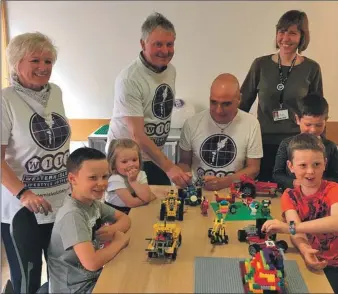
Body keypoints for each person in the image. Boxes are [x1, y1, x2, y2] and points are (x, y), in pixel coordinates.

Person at [1, 32, 71, 293]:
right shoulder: (5, 100)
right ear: (16, 63)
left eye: (48, 61)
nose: (43, 67)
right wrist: (23, 193)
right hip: (22, 211)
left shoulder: (56, 93)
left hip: (59, 203)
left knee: (61, 274)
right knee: (27, 280)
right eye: (35, 60)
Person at [106, 12, 191, 187]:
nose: (165, 51)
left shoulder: (170, 71)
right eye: (158, 44)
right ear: (143, 44)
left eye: (170, 44)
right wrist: (169, 167)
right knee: (132, 209)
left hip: (151, 155)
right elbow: (137, 135)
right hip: (126, 159)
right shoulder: (130, 79)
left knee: (162, 204)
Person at [239, 10, 323, 182]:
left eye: (292, 33)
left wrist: (322, 147)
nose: (285, 38)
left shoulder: (311, 68)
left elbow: (317, 110)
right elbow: (242, 104)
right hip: (262, 144)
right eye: (281, 31)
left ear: (302, 37)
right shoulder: (260, 64)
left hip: (297, 147)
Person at [262, 133, 338, 293]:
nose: (310, 171)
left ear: (325, 164)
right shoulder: (289, 196)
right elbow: (293, 226)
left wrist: (290, 228)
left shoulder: (333, 189)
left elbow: (335, 222)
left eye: (316, 164)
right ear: (290, 166)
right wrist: (305, 250)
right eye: (303, 165)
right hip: (311, 259)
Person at [48, 147, 131, 293]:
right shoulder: (72, 215)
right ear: (72, 179)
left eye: (105, 176)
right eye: (93, 178)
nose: (102, 183)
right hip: (75, 288)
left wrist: (112, 229)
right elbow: (91, 263)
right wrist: (119, 241)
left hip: (91, 278)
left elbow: (125, 219)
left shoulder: (92, 203)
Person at [178, 73, 263, 191]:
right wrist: (184, 176)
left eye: (226, 104)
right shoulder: (192, 123)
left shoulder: (251, 124)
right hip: (198, 192)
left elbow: (253, 168)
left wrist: (224, 182)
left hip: (235, 193)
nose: (219, 110)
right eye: (213, 102)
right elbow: (184, 162)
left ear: (239, 99)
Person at [273, 93, 338, 189]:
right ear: (297, 119)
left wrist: (318, 183)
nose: (313, 130)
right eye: (308, 124)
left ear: (326, 120)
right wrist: (294, 182)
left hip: (322, 196)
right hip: (293, 194)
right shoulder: (286, 144)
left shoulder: (330, 147)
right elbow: (277, 175)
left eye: (319, 125)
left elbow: (335, 176)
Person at [105, 138, 156, 215]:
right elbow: (132, 203)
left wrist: (134, 181)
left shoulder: (141, 174)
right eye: (124, 161)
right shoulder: (115, 179)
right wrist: (133, 181)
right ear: (113, 164)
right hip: (114, 212)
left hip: (133, 210)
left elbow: (146, 196)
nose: (131, 164)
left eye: (134, 160)